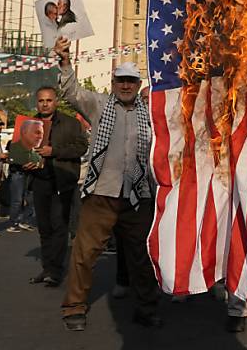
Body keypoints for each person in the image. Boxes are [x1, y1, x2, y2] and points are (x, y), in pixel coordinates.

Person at [53, 36, 161, 331]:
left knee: (144, 257)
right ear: (113, 83)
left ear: (138, 86)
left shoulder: (150, 114)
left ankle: (146, 308)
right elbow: (72, 91)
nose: (126, 86)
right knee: (84, 253)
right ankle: (74, 307)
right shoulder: (99, 104)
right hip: (100, 194)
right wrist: (64, 61)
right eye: (121, 81)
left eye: (131, 82)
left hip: (138, 197)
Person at [28, 86, 89, 288]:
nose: (44, 104)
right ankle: (47, 268)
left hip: (62, 181)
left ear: (56, 102)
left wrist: (54, 151)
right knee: (44, 227)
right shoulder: (28, 123)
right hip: (39, 180)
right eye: (41, 101)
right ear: (36, 102)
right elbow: (20, 151)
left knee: (59, 226)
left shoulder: (70, 123)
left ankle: (55, 271)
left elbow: (81, 147)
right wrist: (23, 162)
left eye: (49, 100)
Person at [6, 119, 42, 233]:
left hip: (31, 175)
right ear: (25, 133)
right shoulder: (15, 146)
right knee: (17, 200)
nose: (40, 136)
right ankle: (13, 222)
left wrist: (37, 165)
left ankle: (25, 221)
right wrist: (20, 165)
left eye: (41, 133)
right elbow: (10, 160)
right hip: (18, 174)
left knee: (30, 199)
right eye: (36, 132)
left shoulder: (36, 151)